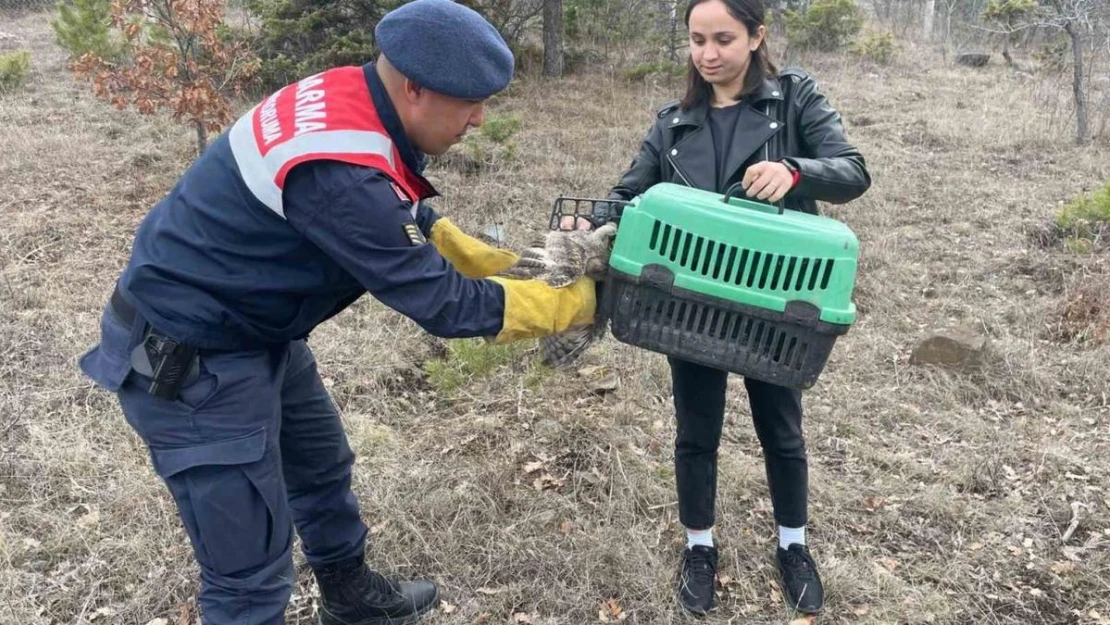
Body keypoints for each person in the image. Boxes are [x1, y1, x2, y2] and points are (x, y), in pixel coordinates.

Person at [76, 1, 596, 624]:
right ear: (416, 87)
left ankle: (351, 598)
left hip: (254, 327)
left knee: (320, 465)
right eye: (470, 103)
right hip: (191, 361)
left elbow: (390, 192)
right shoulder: (338, 172)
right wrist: (571, 304)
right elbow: (444, 303)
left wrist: (447, 236)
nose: (480, 119)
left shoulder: (353, 91)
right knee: (248, 578)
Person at [581, 0, 871, 616]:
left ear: (756, 36)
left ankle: (793, 545)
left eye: (723, 39)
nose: (708, 54)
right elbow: (629, 190)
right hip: (689, 300)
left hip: (777, 301)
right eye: (696, 40)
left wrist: (796, 171)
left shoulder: (792, 100)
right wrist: (597, 217)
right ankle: (699, 547)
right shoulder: (675, 122)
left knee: (781, 428)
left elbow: (851, 171)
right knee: (696, 427)